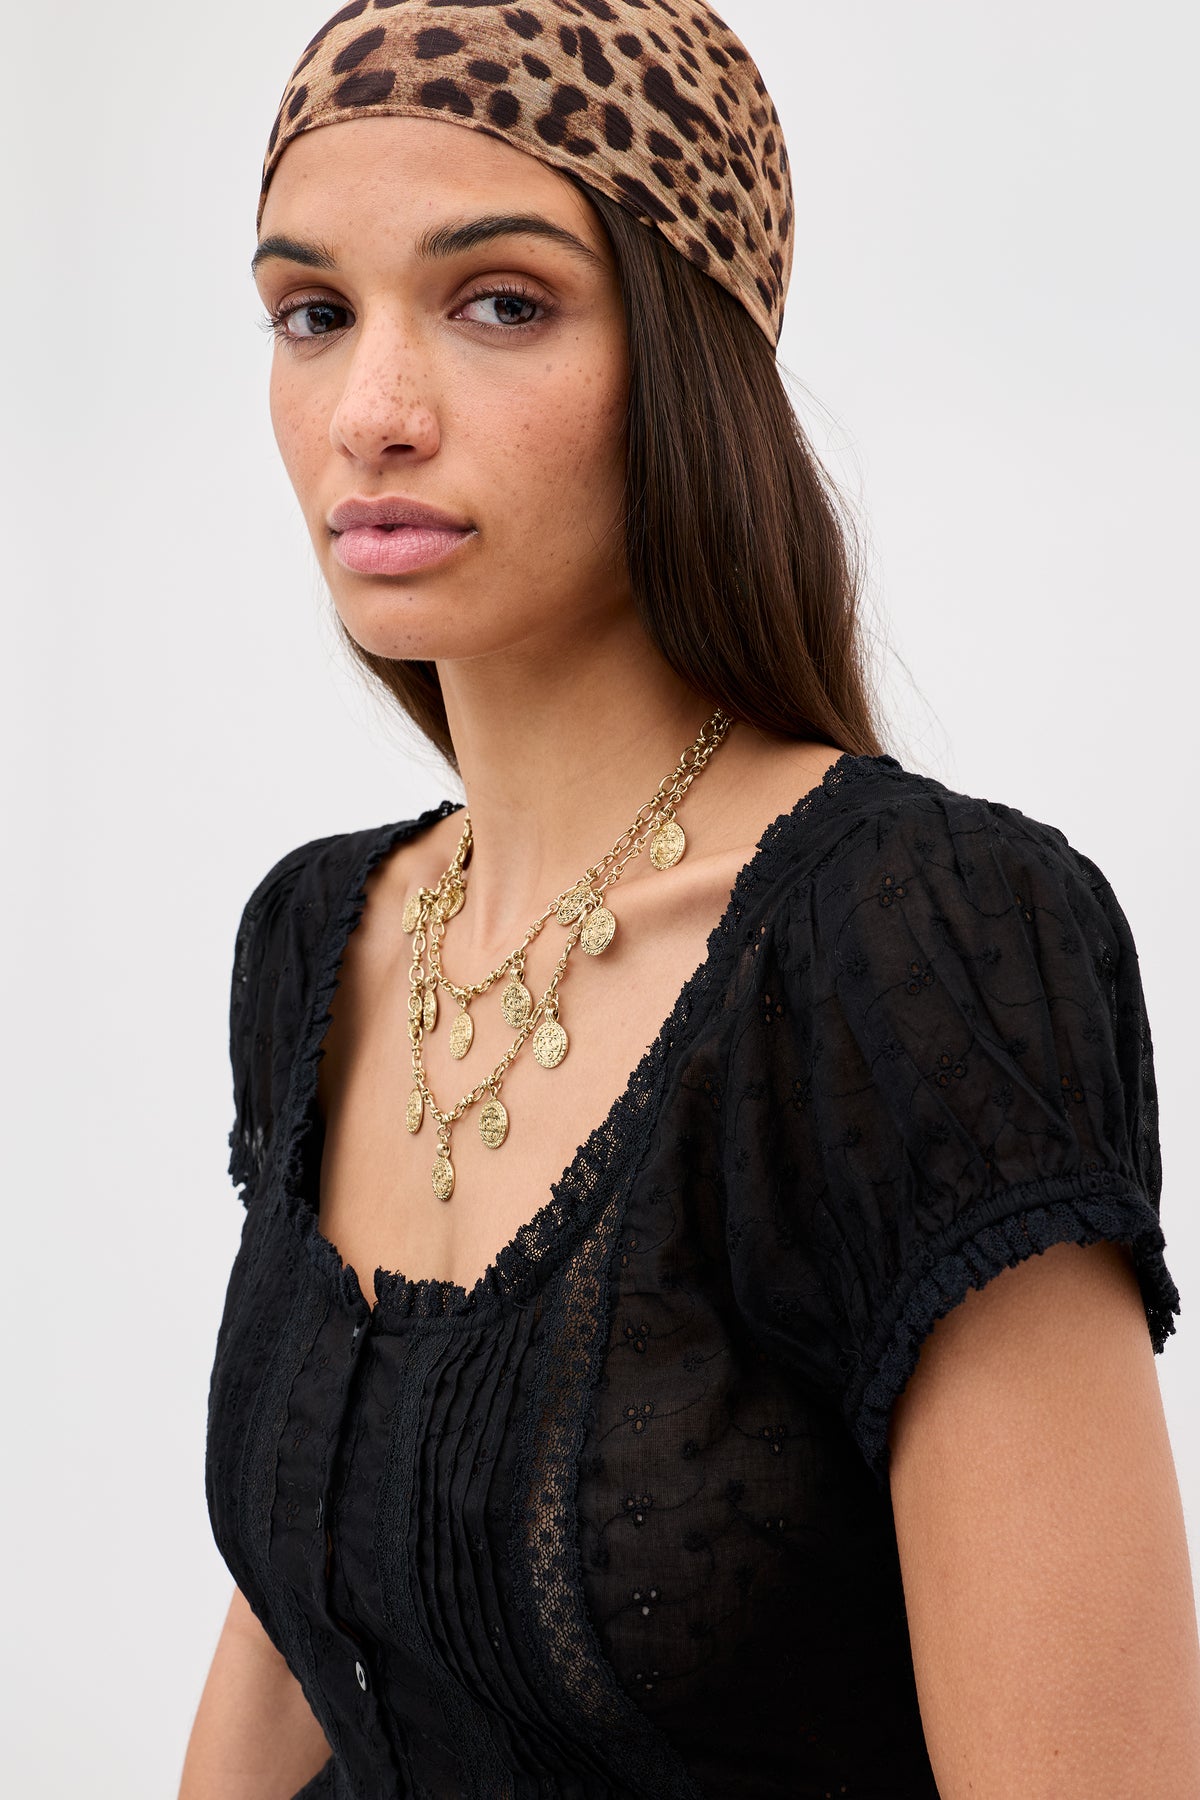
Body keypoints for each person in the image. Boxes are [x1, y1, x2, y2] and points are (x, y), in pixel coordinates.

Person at [180, 5, 1199, 1797]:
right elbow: (296, 1633)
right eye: (312, 314)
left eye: (500, 300)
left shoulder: (912, 948)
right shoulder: (319, 946)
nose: (373, 412)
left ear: (686, 355)